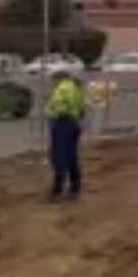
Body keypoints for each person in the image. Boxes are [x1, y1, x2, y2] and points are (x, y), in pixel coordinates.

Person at [45, 67, 86, 199]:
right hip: (74, 123)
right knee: (71, 156)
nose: (52, 83)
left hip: (62, 123)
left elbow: (59, 105)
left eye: (53, 80)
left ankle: (58, 189)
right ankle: (75, 187)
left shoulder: (62, 88)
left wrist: (55, 114)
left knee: (59, 156)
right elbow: (81, 109)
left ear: (58, 78)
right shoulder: (76, 88)